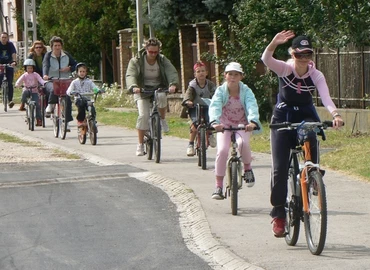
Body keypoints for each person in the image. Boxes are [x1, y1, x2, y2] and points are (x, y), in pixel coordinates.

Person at [261, 30, 344, 237]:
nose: (304, 59)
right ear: (293, 54)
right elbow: (266, 59)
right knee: (280, 169)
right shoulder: (285, 68)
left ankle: (313, 174)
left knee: (312, 134)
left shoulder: (316, 74)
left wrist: (335, 114)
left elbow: (326, 97)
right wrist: (273, 42)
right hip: (283, 116)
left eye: (308, 55)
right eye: (300, 55)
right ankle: (279, 213)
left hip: (306, 114)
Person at [208, 62, 262, 200]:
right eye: (230, 74)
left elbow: (251, 105)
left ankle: (248, 168)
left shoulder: (246, 91)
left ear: (241, 77)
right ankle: (218, 186)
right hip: (224, 125)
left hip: (242, 125)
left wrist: (253, 121)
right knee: (222, 151)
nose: (233, 77)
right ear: (225, 76)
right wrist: (215, 122)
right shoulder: (220, 91)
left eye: (236, 74)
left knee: (243, 143)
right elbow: (214, 106)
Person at [126, 37, 179, 156]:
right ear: (146, 49)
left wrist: (173, 84)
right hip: (142, 90)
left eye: (156, 52)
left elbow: (171, 72)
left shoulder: (162, 60)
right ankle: (140, 145)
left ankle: (162, 119)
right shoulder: (136, 61)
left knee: (161, 97)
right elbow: (131, 74)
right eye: (151, 52)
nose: (153, 54)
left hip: (158, 87)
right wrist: (134, 86)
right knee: (143, 116)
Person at [181, 61, 216, 156]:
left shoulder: (210, 84)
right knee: (195, 124)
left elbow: (216, 94)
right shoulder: (192, 85)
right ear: (195, 74)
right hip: (194, 107)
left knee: (210, 121)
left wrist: (217, 101)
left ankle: (210, 134)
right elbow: (188, 94)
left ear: (207, 73)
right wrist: (188, 101)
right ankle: (191, 144)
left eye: (203, 71)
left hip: (208, 106)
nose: (201, 73)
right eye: (198, 71)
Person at [43, 36, 77, 130]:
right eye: (55, 45)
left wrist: (69, 68)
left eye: (59, 45)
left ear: (61, 46)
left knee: (68, 99)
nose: (57, 47)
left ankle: (67, 123)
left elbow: (75, 64)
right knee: (54, 89)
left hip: (65, 80)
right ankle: (50, 105)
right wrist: (45, 75)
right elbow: (45, 65)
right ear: (52, 46)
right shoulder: (48, 55)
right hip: (51, 79)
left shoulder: (66, 55)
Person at [15, 59, 46, 126]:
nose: (30, 69)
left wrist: (44, 83)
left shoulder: (35, 74)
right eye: (28, 68)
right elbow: (19, 80)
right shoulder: (24, 75)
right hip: (27, 89)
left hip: (34, 91)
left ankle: (39, 119)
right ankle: (23, 103)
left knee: (37, 105)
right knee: (24, 93)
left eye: (31, 68)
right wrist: (17, 84)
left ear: (33, 68)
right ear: (26, 68)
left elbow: (40, 79)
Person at [0, 32, 17, 108]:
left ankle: (10, 100)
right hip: (0, 64)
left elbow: (13, 53)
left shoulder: (10, 44)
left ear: (7, 38)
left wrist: (14, 61)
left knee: (10, 82)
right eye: (2, 37)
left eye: (5, 37)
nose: (4, 39)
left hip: (9, 64)